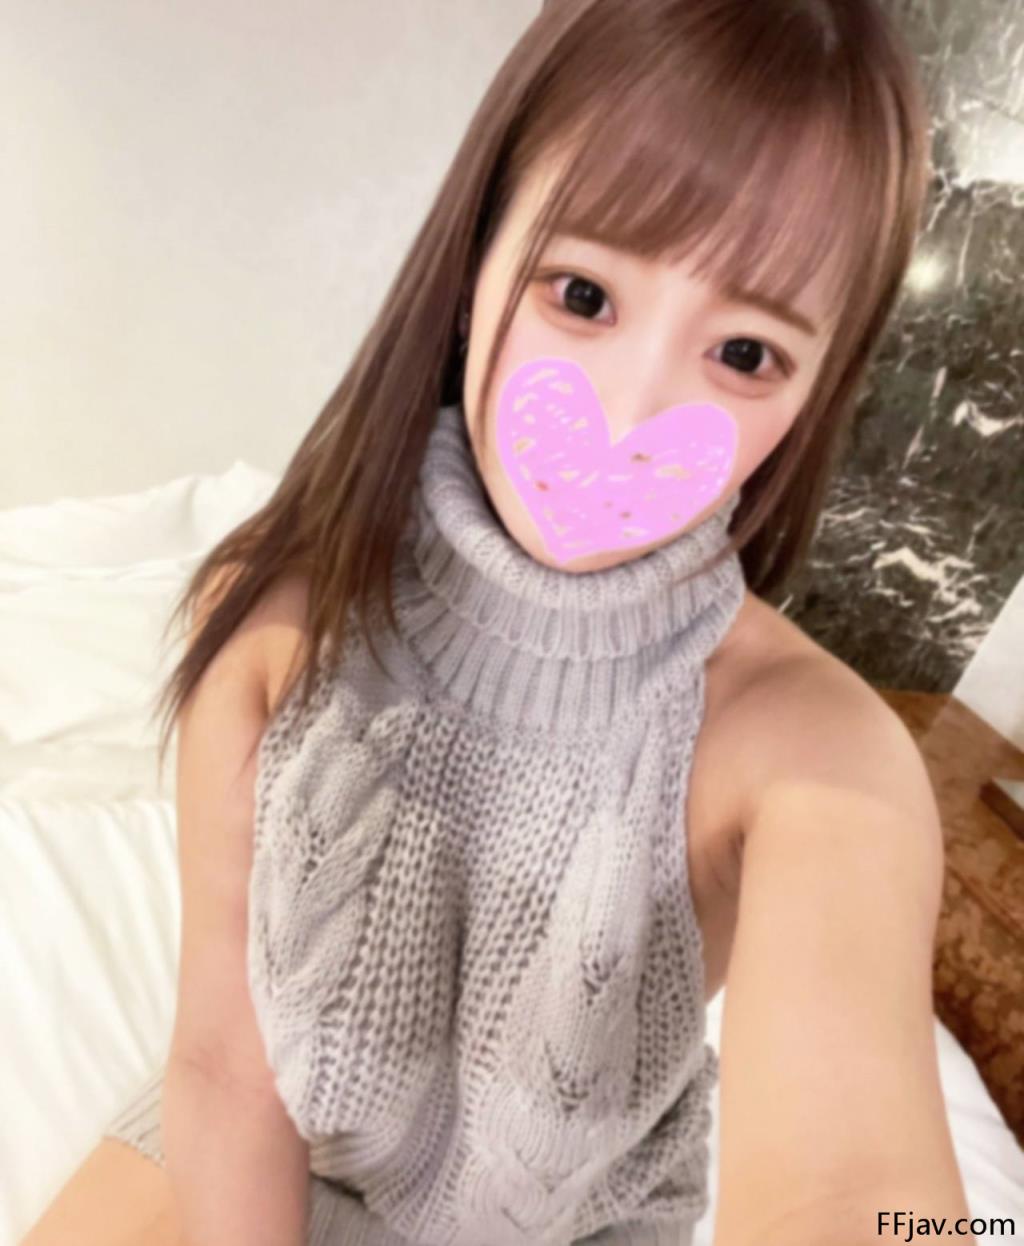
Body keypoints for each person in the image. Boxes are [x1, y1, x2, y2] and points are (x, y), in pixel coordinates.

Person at [22, 1, 978, 1244]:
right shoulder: (269, 616)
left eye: (745, 353)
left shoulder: (819, 759)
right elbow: (223, 1067)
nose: (631, 411)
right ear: (477, 264)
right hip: (252, 1152)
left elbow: (857, 1194)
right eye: (583, 293)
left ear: (811, 396)